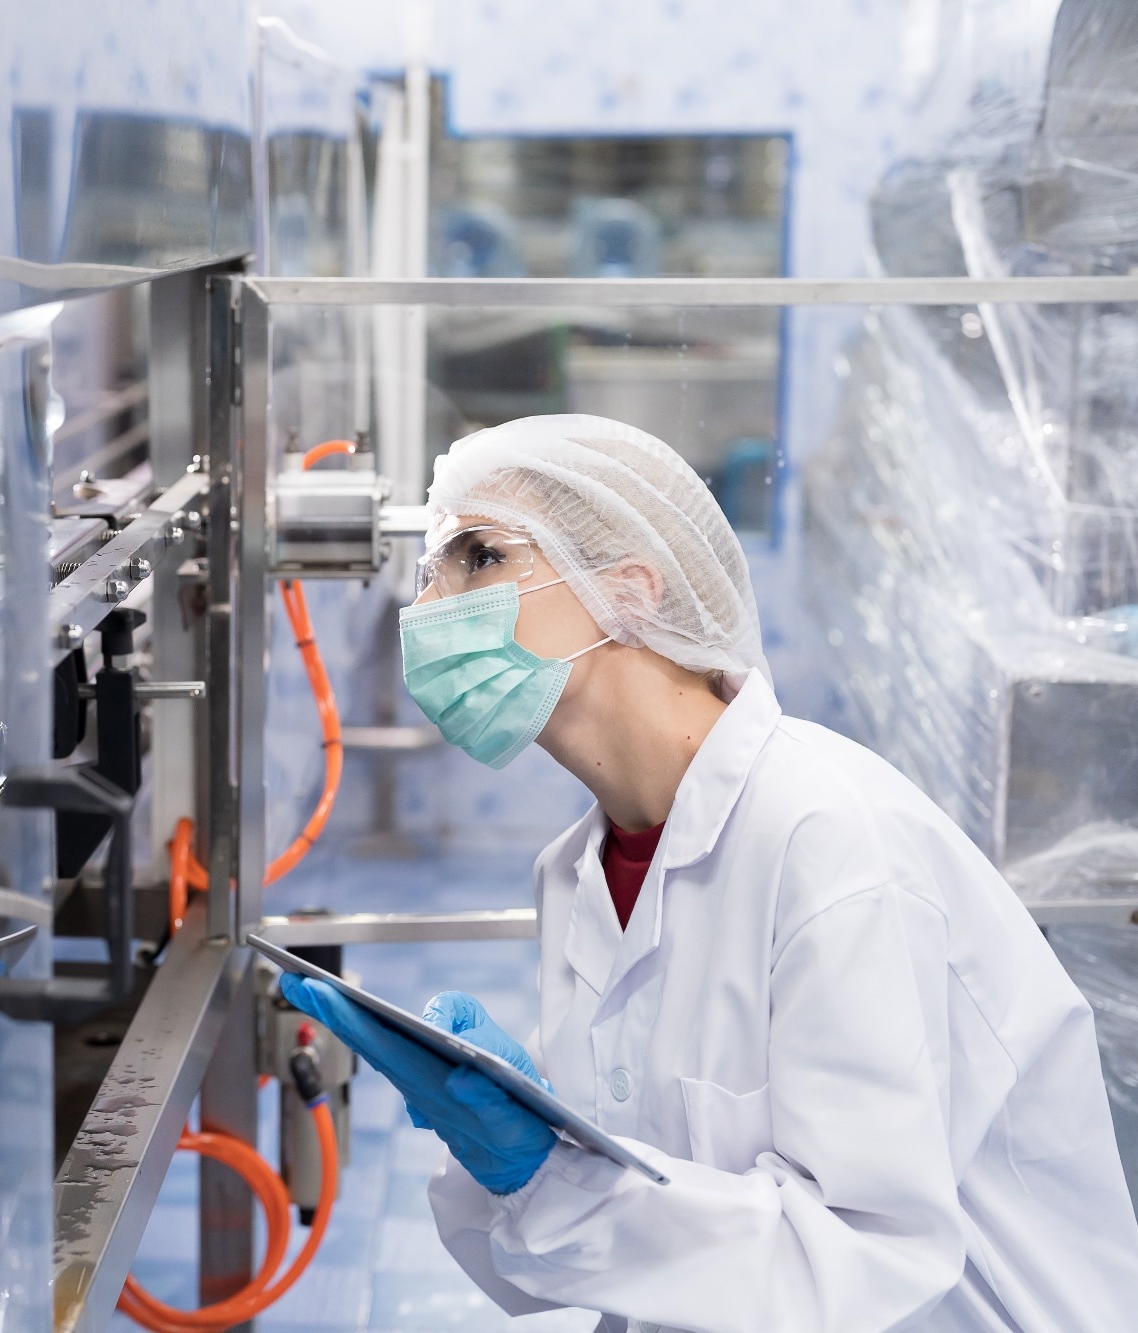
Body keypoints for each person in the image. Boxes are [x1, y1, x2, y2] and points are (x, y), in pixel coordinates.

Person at [283, 415, 1138, 1331]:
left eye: (479, 557)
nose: (428, 608)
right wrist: (502, 1145)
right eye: (430, 571)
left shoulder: (831, 842)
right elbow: (602, 1247)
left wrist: (547, 1175)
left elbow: (868, 1263)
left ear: (630, 592)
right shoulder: (582, 869)